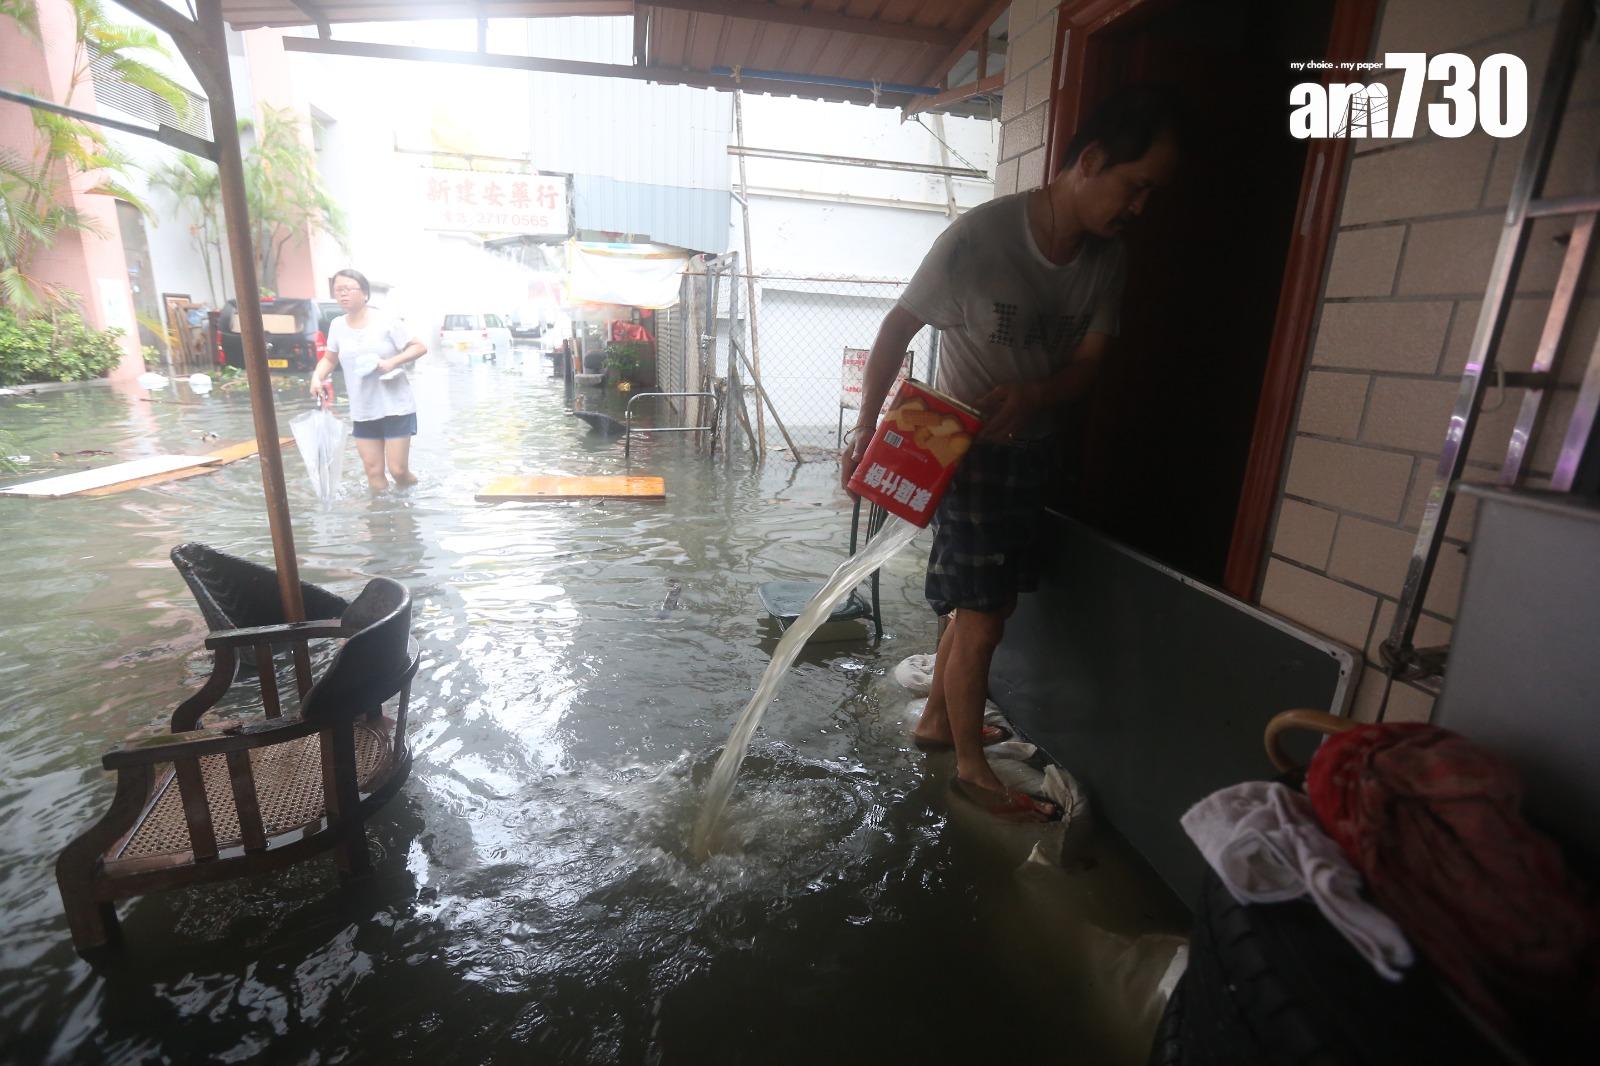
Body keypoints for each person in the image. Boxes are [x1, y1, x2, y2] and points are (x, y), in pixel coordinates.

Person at [842, 87, 1181, 822]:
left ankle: (939, 721)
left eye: (1151, 192)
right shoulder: (981, 237)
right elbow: (897, 328)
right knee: (984, 617)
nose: (1139, 206)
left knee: (980, 606)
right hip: (964, 453)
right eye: (1134, 186)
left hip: (1035, 452)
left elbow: (1089, 364)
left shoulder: (1108, 260)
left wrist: (1036, 396)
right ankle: (971, 770)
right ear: (1090, 161)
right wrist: (866, 429)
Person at [309, 268, 428, 490]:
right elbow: (329, 359)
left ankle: (412, 497)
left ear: (364, 293)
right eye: (338, 290)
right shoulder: (337, 326)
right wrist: (317, 378)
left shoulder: (386, 320)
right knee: (373, 471)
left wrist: (392, 362)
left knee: (398, 470)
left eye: (348, 289)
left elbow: (419, 347)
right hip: (363, 408)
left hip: (395, 406)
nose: (342, 294)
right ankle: (381, 511)